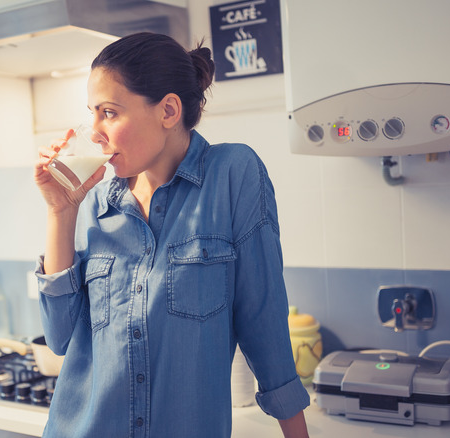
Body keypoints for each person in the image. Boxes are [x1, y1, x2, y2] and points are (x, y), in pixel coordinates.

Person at [33, 32, 310, 438]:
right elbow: (59, 339)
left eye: (109, 112)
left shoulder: (233, 174)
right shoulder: (93, 203)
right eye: (92, 113)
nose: (94, 132)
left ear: (167, 110)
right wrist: (61, 211)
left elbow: (262, 318)